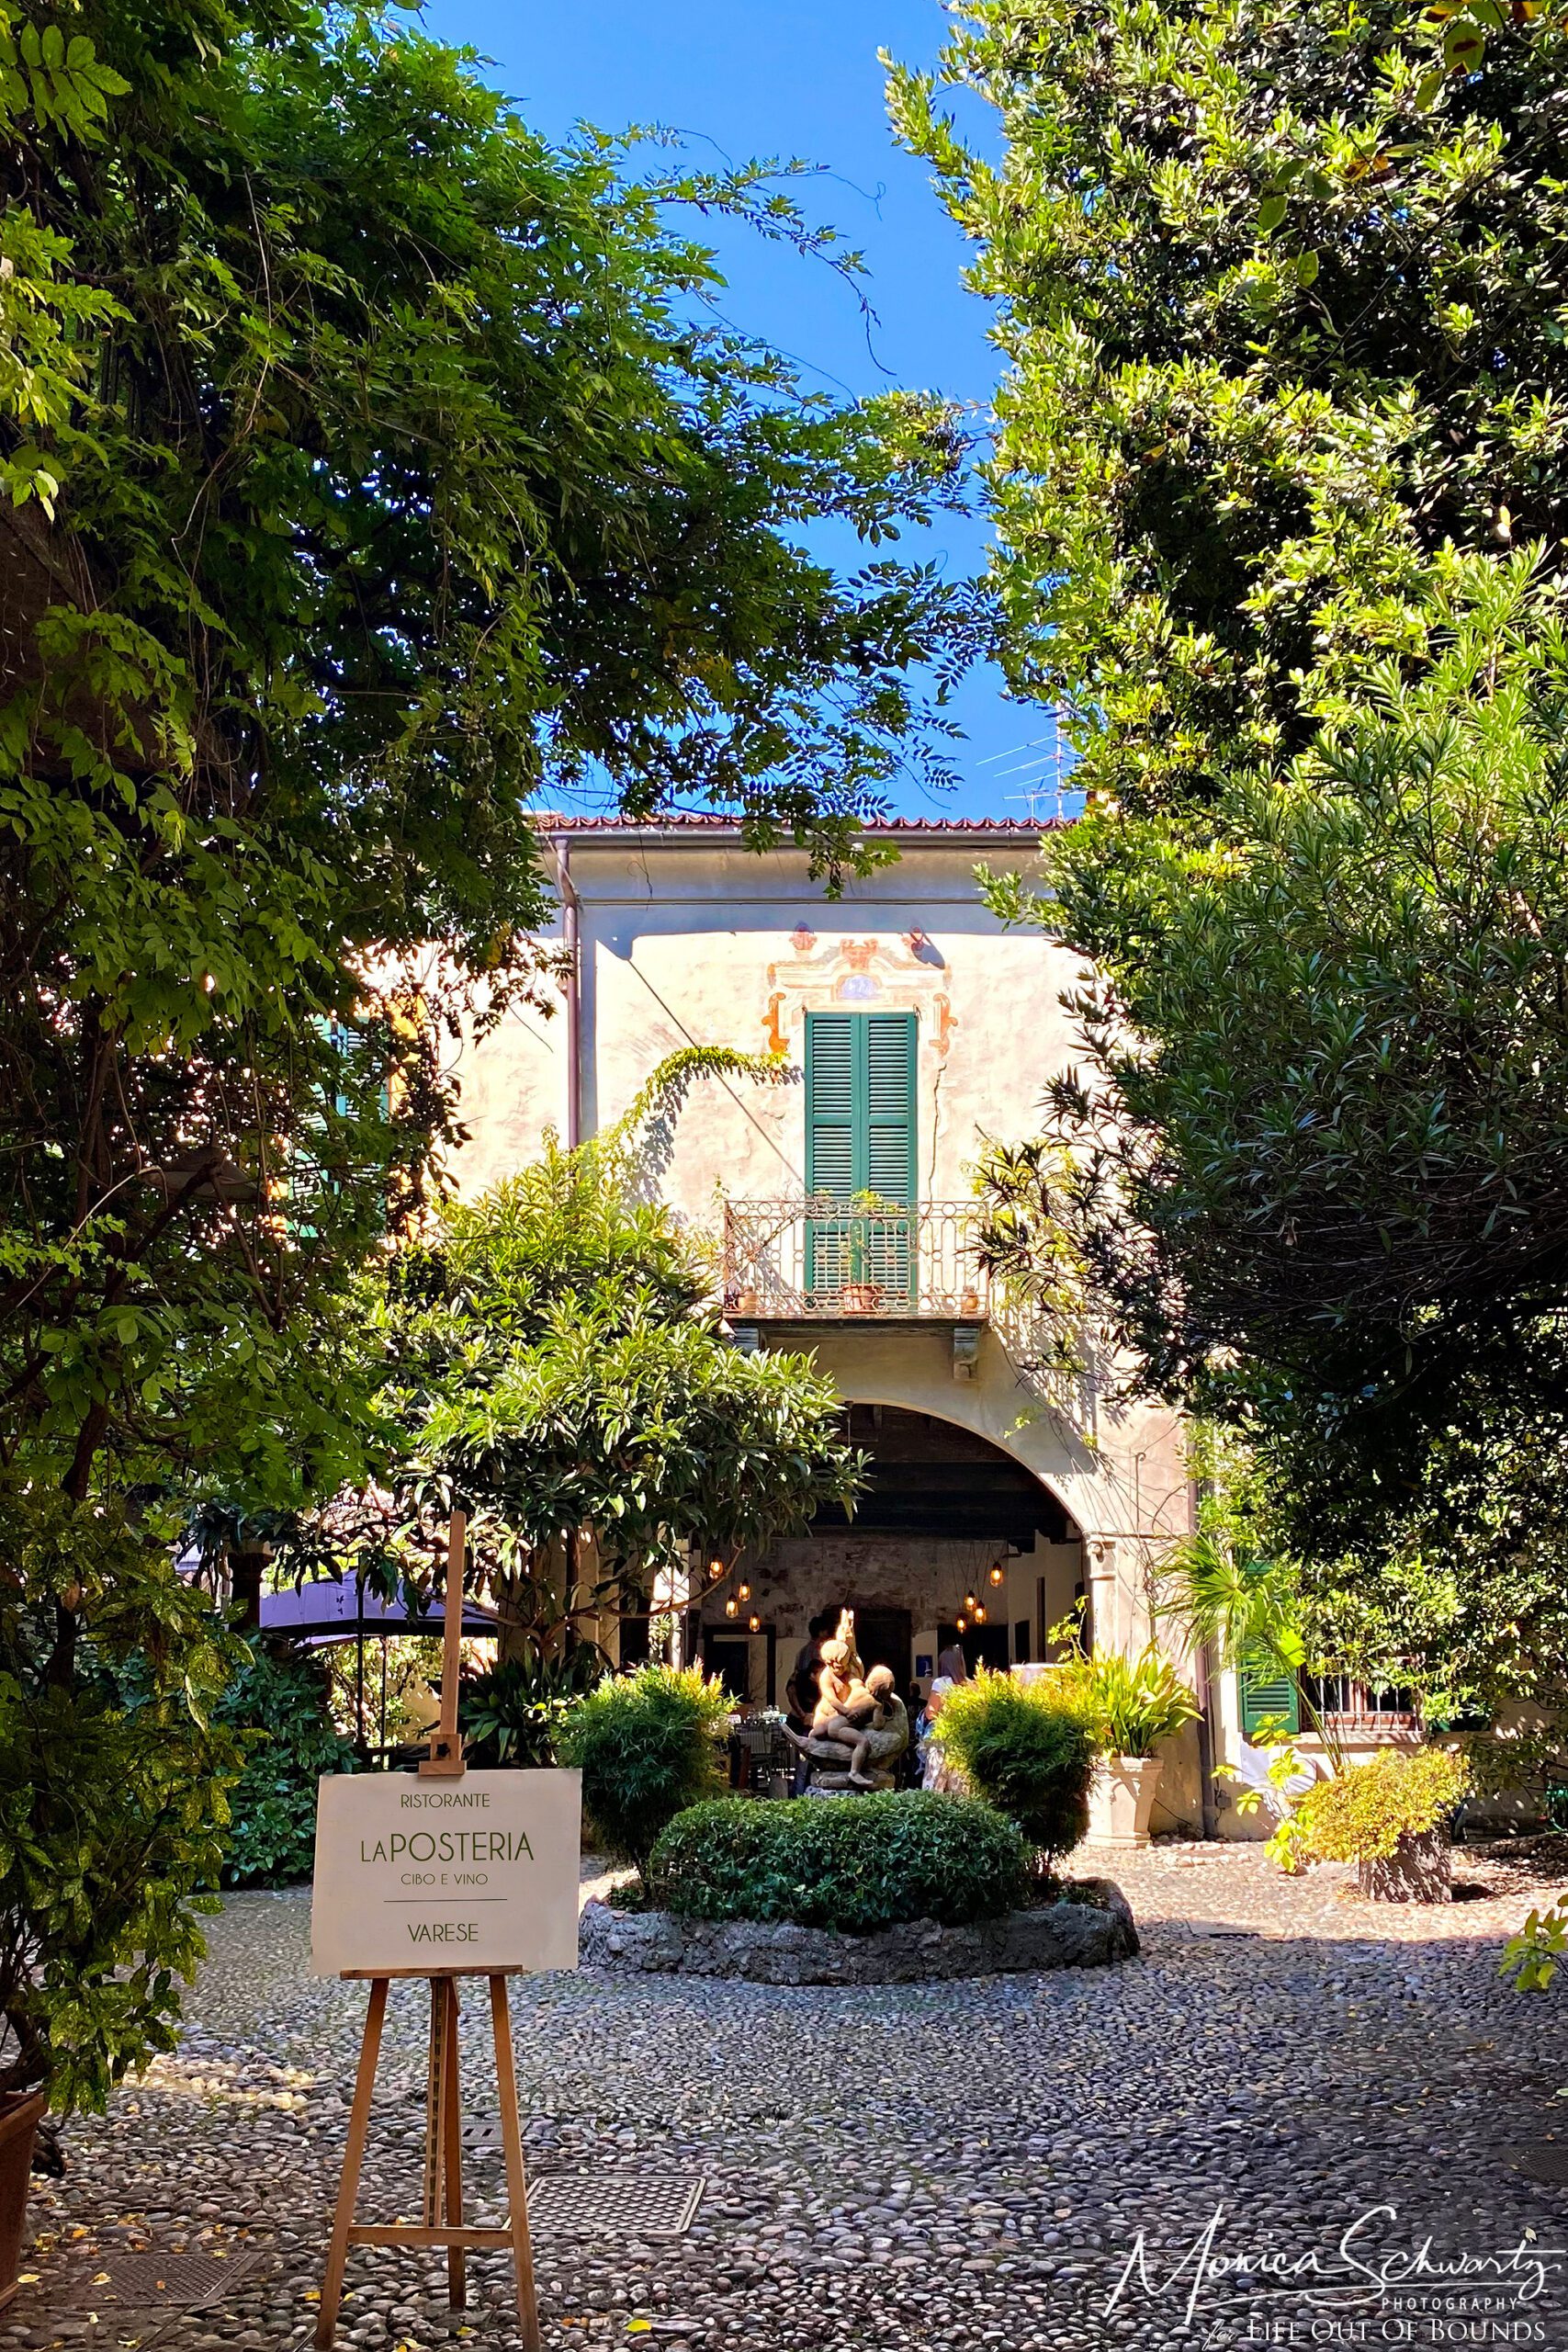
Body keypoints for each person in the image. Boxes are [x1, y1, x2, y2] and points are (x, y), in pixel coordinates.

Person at [785, 1608, 838, 1795]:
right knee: (804, 1763)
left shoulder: (803, 1654)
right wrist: (804, 1714)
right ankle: (801, 1797)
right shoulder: (814, 1656)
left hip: (810, 1715)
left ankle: (803, 1796)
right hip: (808, 1717)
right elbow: (793, 1687)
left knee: (806, 1764)